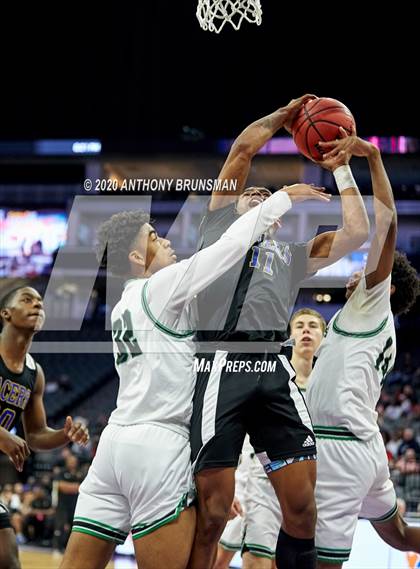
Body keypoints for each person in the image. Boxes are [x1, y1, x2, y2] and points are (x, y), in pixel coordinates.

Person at [59, 183, 329, 569]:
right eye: (154, 237)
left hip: (114, 446)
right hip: (158, 445)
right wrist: (281, 200)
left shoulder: (123, 303)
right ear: (137, 257)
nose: (166, 240)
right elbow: (231, 246)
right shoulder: (161, 288)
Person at [189, 97, 370, 569]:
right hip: (220, 363)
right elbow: (241, 154)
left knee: (302, 509)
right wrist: (285, 114)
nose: (255, 196)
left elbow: (356, 232)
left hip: (272, 365)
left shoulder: (289, 256)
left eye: (263, 197)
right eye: (249, 195)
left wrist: (343, 168)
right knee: (211, 514)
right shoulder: (217, 232)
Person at [305, 132, 420, 568]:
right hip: (362, 443)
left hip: (340, 444)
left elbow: (385, 222)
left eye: (368, 272)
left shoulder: (373, 301)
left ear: (387, 286)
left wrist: (368, 156)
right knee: (399, 535)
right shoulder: (362, 318)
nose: (356, 274)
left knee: (323, 562)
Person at [0, 286, 90, 569]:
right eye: (27, 300)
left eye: (40, 301)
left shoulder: (34, 373)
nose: (37, 304)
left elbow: (36, 435)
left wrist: (64, 435)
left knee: (8, 557)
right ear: (6, 314)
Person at [240, 309, 326, 569]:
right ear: (289, 336)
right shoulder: (269, 378)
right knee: (257, 561)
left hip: (312, 487)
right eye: (299, 326)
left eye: (313, 326)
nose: (306, 331)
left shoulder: (330, 386)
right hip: (264, 480)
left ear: (324, 336)